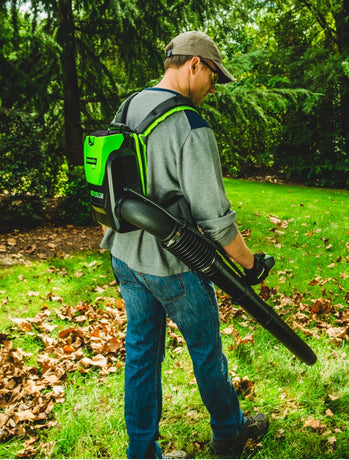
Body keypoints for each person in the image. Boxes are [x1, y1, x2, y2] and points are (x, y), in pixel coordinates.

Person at [101, 31, 273, 459]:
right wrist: (251, 265)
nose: (213, 88)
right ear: (195, 65)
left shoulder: (131, 104)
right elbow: (216, 221)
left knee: (141, 355)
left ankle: (142, 453)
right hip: (174, 266)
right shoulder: (190, 127)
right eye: (214, 76)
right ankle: (230, 435)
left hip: (125, 256)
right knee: (207, 352)